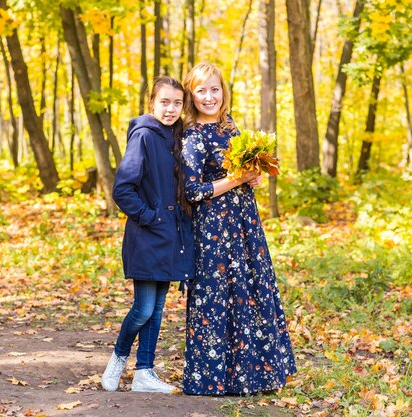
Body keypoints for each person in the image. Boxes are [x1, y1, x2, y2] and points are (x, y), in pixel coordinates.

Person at [180, 63, 297, 395]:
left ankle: (250, 374)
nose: (209, 96)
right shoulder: (192, 135)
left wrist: (254, 176)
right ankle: (213, 378)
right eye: (201, 90)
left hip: (244, 223)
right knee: (217, 296)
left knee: (247, 291)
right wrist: (238, 179)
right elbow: (194, 191)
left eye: (214, 89)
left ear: (223, 92)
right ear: (191, 95)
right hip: (214, 228)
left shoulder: (231, 128)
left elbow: (244, 175)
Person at [101, 76, 195, 394]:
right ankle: (118, 359)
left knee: (156, 310)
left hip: (171, 237)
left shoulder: (179, 136)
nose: (170, 109)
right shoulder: (143, 134)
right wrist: (150, 217)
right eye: (164, 102)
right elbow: (123, 189)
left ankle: (144, 372)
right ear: (152, 102)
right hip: (147, 235)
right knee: (142, 308)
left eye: (177, 103)